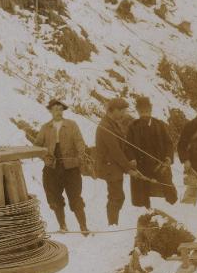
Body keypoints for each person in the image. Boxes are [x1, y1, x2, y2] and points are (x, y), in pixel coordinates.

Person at [33, 98, 88, 234]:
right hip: (52, 169)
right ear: (50, 111)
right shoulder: (45, 128)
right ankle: (62, 226)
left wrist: (80, 156)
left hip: (71, 168)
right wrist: (45, 157)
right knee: (54, 197)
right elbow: (37, 146)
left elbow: (79, 142)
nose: (58, 112)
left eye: (60, 109)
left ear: (63, 111)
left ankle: (83, 227)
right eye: (55, 109)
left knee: (75, 197)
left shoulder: (72, 125)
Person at [125, 96, 177, 208]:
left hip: (160, 165)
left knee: (170, 193)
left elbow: (169, 143)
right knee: (141, 199)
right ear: (138, 111)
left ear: (151, 109)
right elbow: (127, 146)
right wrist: (132, 159)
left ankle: (172, 210)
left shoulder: (159, 125)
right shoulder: (132, 126)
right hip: (140, 168)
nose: (144, 114)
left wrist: (168, 158)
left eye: (146, 110)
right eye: (142, 111)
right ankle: (145, 214)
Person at [96, 97, 139, 226]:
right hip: (110, 167)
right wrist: (128, 169)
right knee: (116, 197)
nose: (123, 114)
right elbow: (115, 151)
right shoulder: (105, 127)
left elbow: (122, 146)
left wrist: (130, 160)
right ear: (113, 110)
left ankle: (113, 224)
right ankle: (112, 226)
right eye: (121, 111)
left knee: (117, 197)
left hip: (115, 166)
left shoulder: (113, 124)